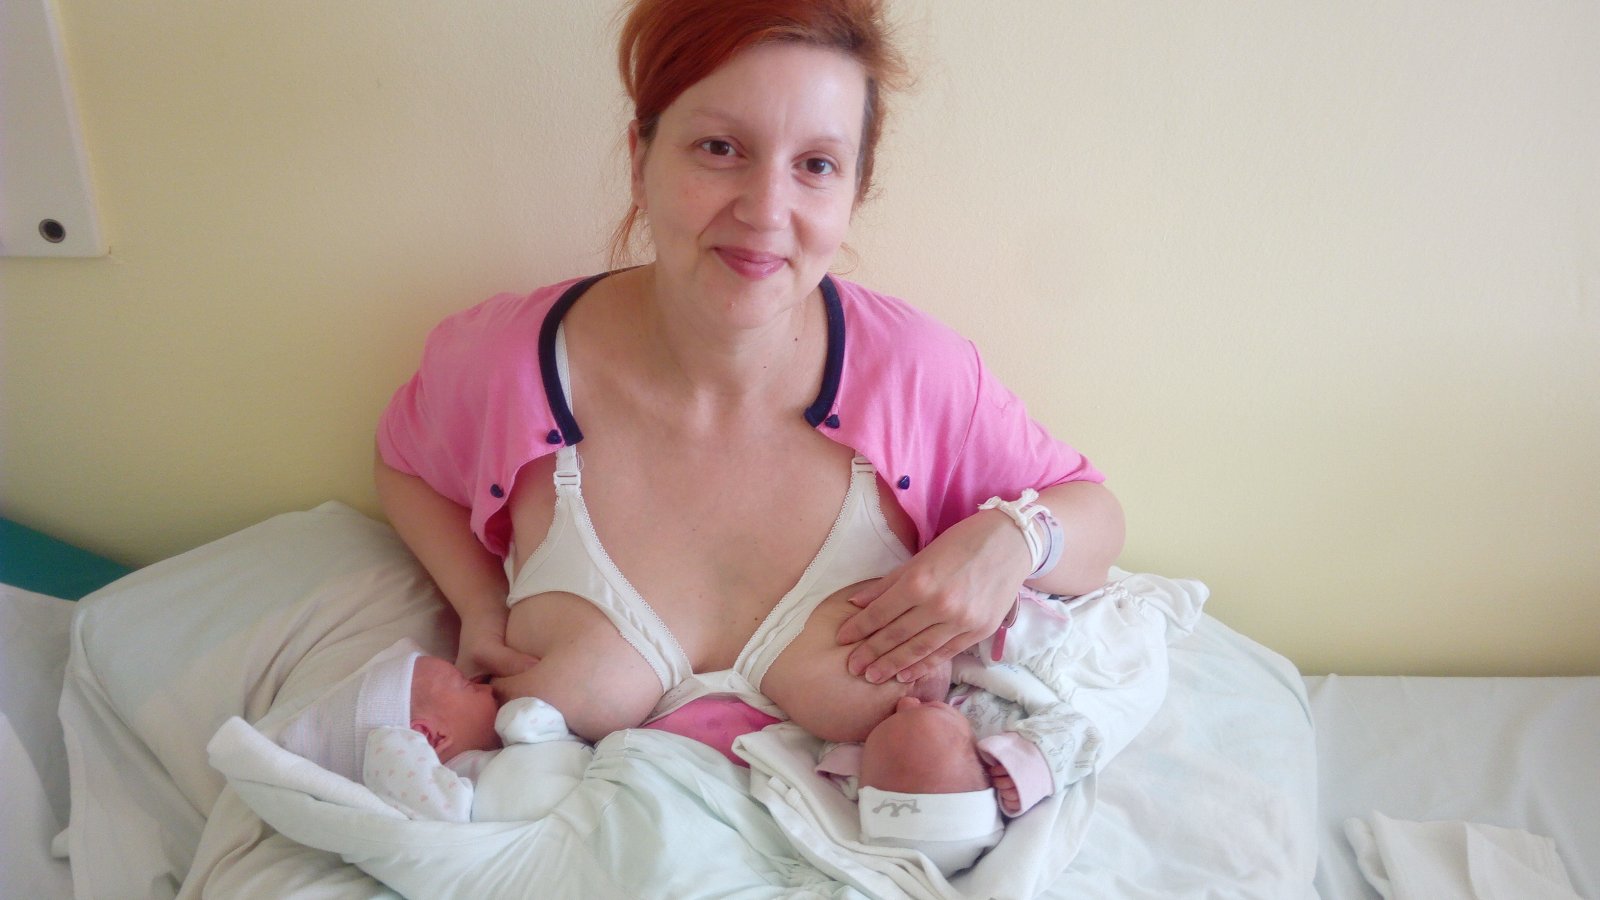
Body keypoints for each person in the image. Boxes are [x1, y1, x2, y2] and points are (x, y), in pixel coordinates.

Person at [374, 0, 1124, 755]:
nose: (766, 211)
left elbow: (1094, 517)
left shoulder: (917, 375)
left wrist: (1014, 540)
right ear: (640, 161)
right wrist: (479, 606)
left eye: (816, 165)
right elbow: (404, 465)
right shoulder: (510, 364)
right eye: (720, 148)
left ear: (854, 192)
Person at [756, 571, 1204, 876]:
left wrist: (853, 755)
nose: (906, 702)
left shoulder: (878, 768)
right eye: (929, 714)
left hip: (1011, 640)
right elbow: (1079, 735)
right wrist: (1028, 763)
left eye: (891, 723)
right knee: (1123, 665)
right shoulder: (998, 746)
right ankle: (1155, 609)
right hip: (1078, 671)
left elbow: (837, 761)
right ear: (980, 763)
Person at [276, 639, 593, 823]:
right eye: (467, 685)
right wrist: (392, 745)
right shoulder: (446, 795)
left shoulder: (504, 750)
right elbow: (444, 816)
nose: (487, 686)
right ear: (431, 737)